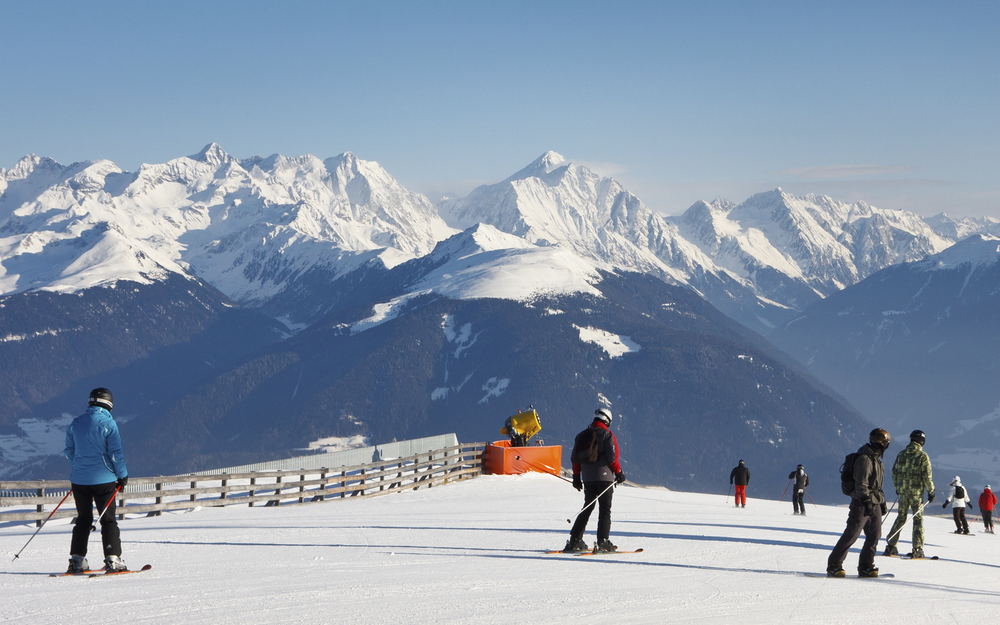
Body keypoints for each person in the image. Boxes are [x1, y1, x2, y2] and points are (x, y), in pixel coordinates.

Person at [63, 388, 129, 573]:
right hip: (104, 481)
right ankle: (113, 560)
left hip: (79, 481)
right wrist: (122, 476)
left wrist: (79, 469)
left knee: (83, 520)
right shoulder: (109, 423)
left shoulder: (76, 423)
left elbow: (69, 451)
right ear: (109, 403)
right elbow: (116, 454)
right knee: (108, 520)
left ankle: (76, 561)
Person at [827, 428, 890, 578]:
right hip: (861, 503)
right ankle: (834, 564)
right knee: (852, 534)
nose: (886, 445)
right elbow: (861, 483)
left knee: (875, 535)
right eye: (885, 442)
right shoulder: (865, 458)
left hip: (874, 503)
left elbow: (877, 486)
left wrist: (881, 502)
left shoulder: (877, 459)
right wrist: (867, 501)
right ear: (878, 442)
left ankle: (866, 566)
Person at [563, 408, 626, 553]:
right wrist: (619, 473)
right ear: (607, 420)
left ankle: (575, 540)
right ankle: (602, 542)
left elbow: (575, 459)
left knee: (587, 507)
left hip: (588, 479)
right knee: (605, 510)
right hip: (605, 479)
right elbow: (612, 459)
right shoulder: (608, 435)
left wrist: (576, 477)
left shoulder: (582, 436)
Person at [883, 430, 935, 558]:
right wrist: (931, 491)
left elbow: (894, 472)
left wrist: (898, 487)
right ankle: (917, 549)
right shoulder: (922, 456)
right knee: (917, 519)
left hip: (903, 493)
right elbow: (927, 477)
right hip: (916, 494)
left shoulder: (901, 455)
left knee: (901, 517)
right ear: (922, 441)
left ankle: (891, 546)